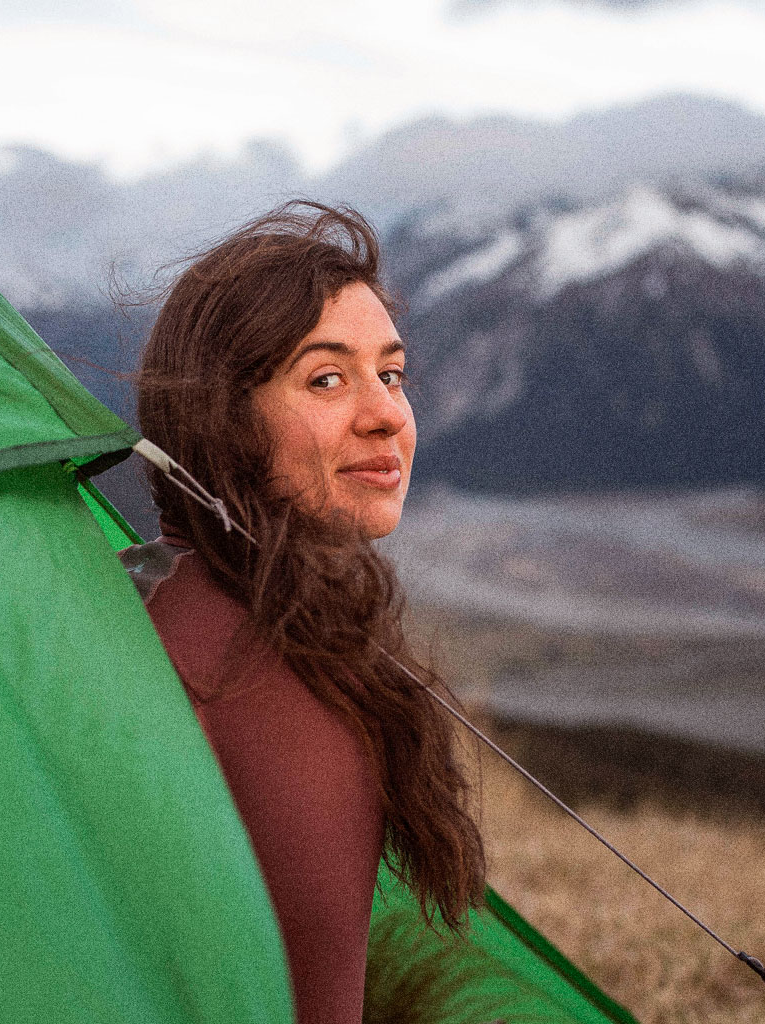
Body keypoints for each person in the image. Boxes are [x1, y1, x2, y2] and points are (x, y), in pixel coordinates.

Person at [134, 201, 486, 1024]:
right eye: (325, 379)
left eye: (390, 375)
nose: (386, 415)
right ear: (221, 416)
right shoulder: (264, 673)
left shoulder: (152, 587)